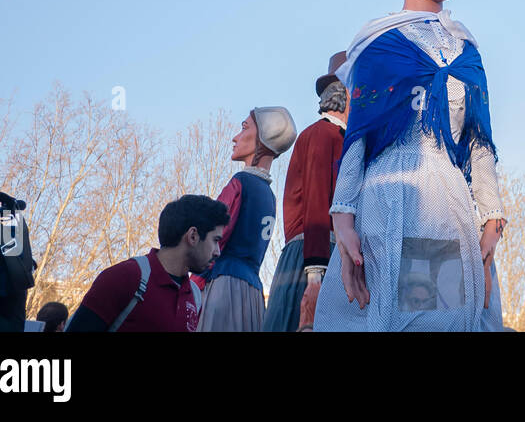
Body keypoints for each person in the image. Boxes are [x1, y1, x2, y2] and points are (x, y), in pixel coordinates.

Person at [314, 0, 507, 331]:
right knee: (374, 316)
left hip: (444, 210)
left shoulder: (467, 50)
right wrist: (343, 216)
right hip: (385, 200)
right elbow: (358, 137)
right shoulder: (378, 43)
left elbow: (478, 142)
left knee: (432, 320)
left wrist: (492, 215)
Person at [263, 58, 349, 332]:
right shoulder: (323, 135)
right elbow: (315, 204)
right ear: (347, 94)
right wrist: (315, 273)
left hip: (330, 253)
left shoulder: (343, 139)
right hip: (315, 254)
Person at [197, 107, 297, 332]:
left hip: (222, 287)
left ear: (261, 138)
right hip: (252, 293)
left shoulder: (240, 182)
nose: (235, 137)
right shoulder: (270, 196)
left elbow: (213, 240)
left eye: (244, 128)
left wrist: (193, 282)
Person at [67, 195, 228, 332]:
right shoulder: (124, 277)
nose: (217, 252)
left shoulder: (194, 296)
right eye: (215, 240)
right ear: (193, 236)